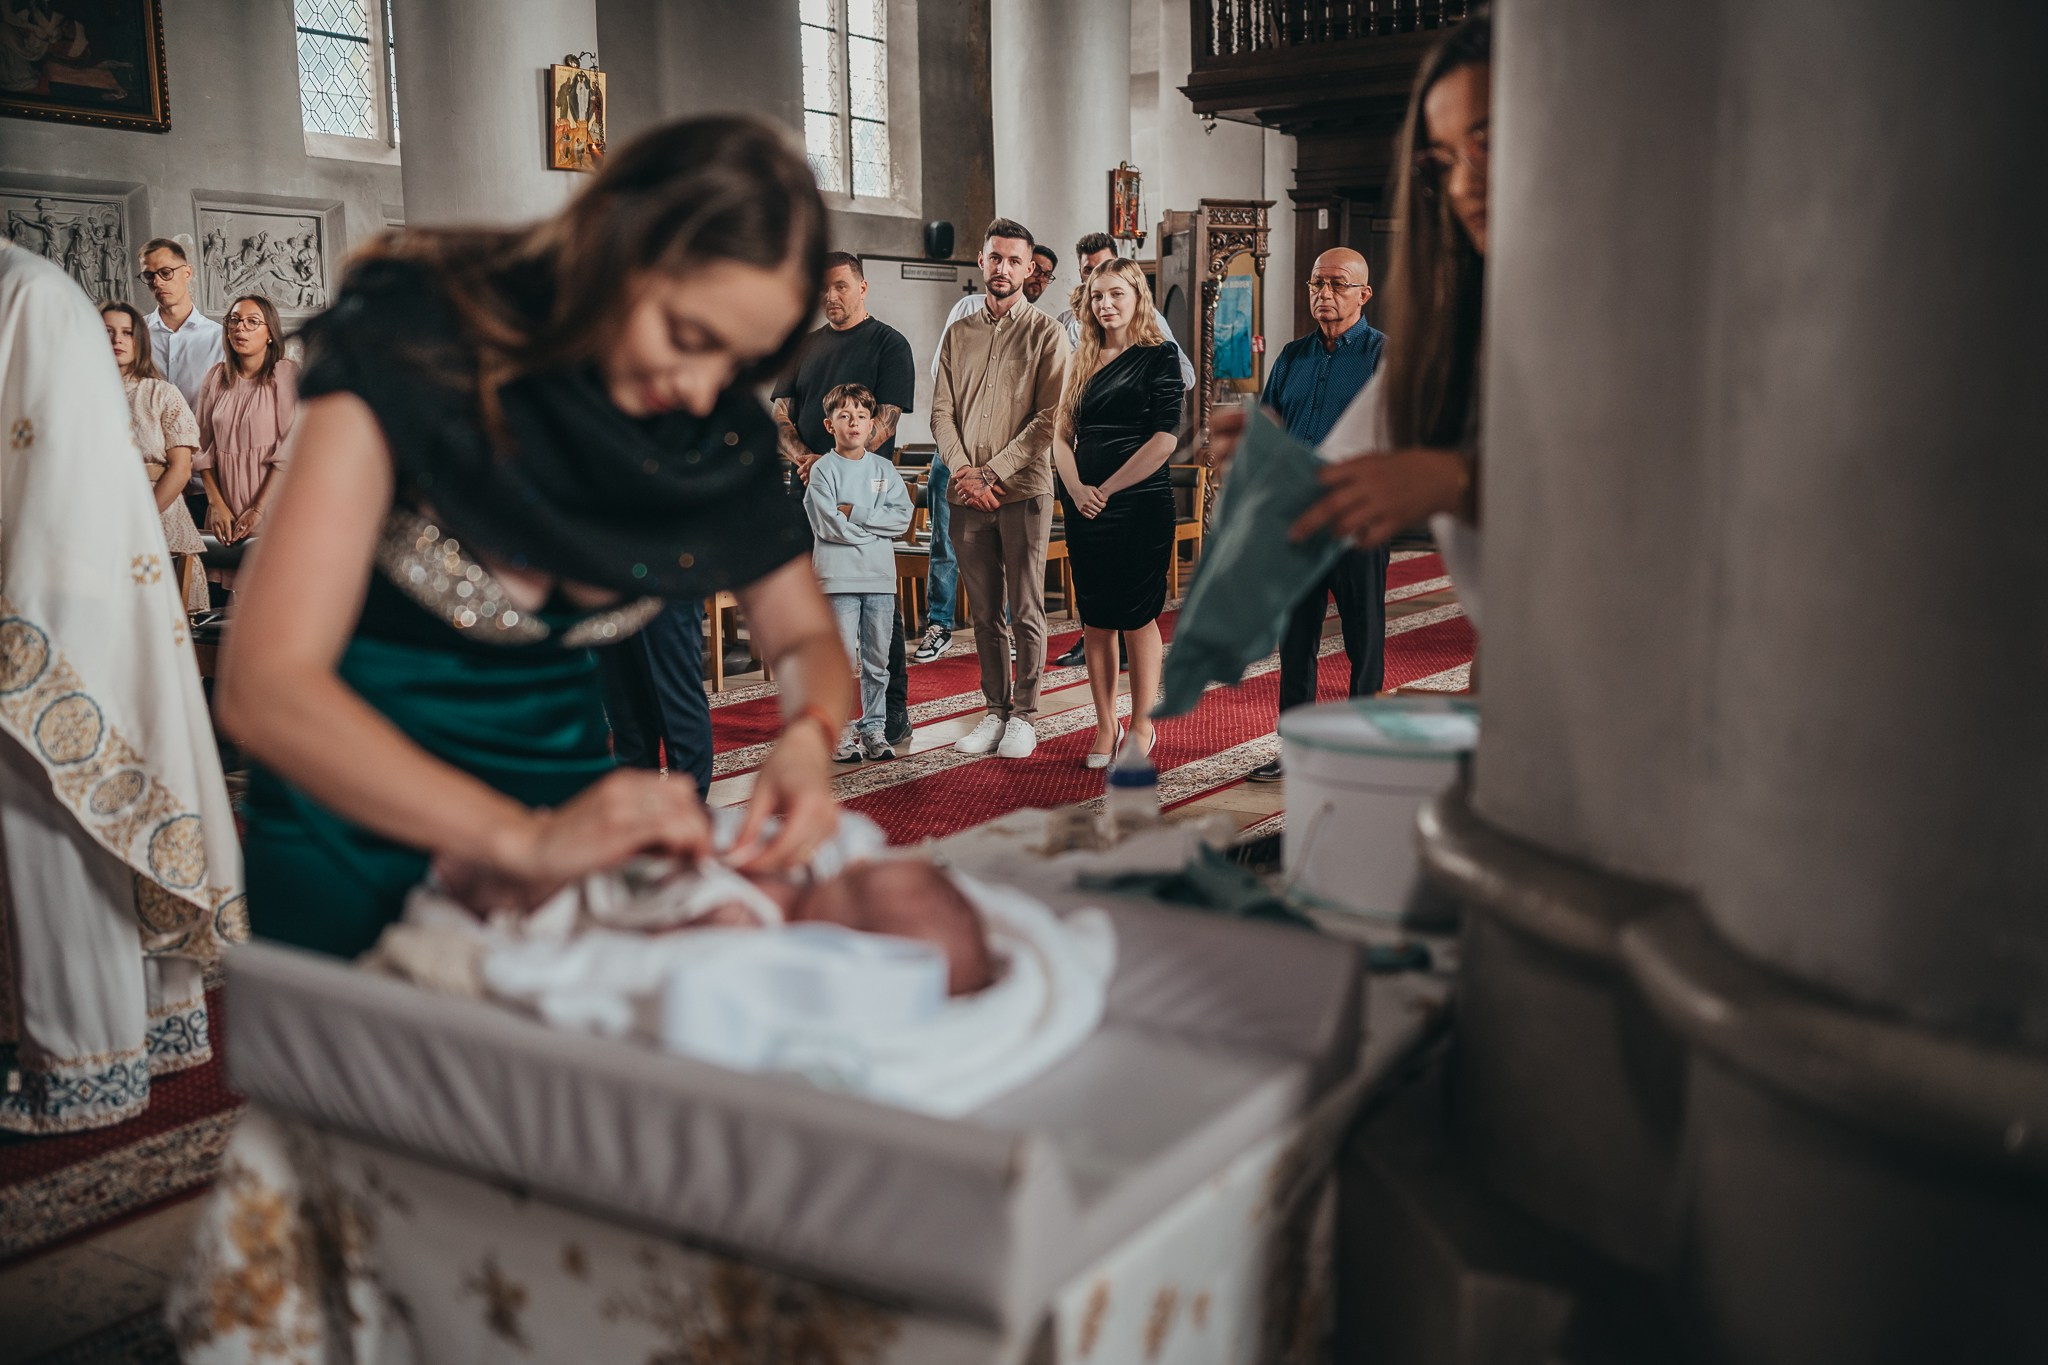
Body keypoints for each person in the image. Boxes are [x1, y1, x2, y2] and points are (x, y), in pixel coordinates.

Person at [215, 116, 853, 960]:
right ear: (616, 244)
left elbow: (804, 634)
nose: (703, 388)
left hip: (567, 841)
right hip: (357, 828)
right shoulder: (416, 344)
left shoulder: (707, 427)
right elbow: (266, 687)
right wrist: (517, 837)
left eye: (739, 361)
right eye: (689, 336)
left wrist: (808, 735)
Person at [0, 239, 245, 1134]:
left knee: (61, 828)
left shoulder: (28, 297)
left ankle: (85, 1060)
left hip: (55, 615)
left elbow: (58, 487)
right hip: (57, 589)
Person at [1293, 14, 1488, 620]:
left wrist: (1456, 482)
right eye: (1443, 162)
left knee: (1364, 639)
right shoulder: (1457, 333)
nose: (1463, 186)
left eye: (1485, 144)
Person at [1243, 246, 1388, 783]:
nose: (1323, 294)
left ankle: (1362, 745)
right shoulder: (1292, 355)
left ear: (1363, 294)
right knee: (1297, 640)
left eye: (1337, 285)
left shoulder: (1380, 356)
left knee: (1362, 638)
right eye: (1315, 284)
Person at [929, 218, 1071, 760]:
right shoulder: (958, 333)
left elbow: (1048, 417)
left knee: (1025, 607)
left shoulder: (1046, 334)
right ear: (982, 262)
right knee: (983, 612)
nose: (1003, 268)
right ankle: (994, 711)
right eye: (995, 258)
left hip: (1022, 491)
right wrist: (965, 472)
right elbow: (941, 410)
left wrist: (991, 474)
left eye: (1015, 260)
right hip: (966, 494)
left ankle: (1026, 715)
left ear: (1029, 268)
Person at [772, 251, 917, 745]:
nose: (829, 297)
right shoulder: (804, 346)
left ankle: (891, 711)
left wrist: (833, 464)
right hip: (807, 485)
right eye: (822, 288)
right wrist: (809, 461)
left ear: (862, 287)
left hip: (866, 490)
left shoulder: (888, 343)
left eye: (839, 286)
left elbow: (886, 421)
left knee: (880, 613)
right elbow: (780, 414)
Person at [1051, 259, 1184, 768]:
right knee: (1097, 619)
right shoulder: (1080, 356)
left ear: (1137, 297)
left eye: (1115, 295)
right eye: (1097, 296)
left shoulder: (1159, 355)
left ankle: (1144, 724)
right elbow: (1060, 437)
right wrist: (1077, 487)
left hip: (1138, 501)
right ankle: (1106, 726)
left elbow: (1165, 438)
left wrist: (1104, 488)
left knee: (1137, 616)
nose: (1105, 305)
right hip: (1083, 502)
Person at [804, 383, 914, 761]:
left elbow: (902, 517)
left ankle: (873, 729)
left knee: (877, 662)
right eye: (844, 415)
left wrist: (857, 513)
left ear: (872, 425)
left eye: (861, 416)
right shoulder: (822, 470)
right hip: (838, 580)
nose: (853, 422)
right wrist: (871, 531)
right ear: (829, 424)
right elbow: (827, 525)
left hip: (879, 581)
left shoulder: (883, 469)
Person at [102, 300, 209, 612]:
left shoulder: (161, 393)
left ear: (140, 341)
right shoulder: (79, 396)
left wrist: (141, 519)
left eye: (126, 333)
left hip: (157, 514)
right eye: (107, 332)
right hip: (100, 514)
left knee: (162, 622)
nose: (117, 340)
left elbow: (181, 469)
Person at [194, 293, 298, 558]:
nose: (240, 327)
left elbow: (291, 447)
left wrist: (259, 509)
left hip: (273, 503)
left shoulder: (284, 374)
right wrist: (216, 503)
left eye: (252, 322)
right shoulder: (217, 377)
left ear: (270, 334)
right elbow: (201, 448)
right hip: (225, 509)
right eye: (234, 320)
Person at [137, 236, 224, 413]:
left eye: (166, 272)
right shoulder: (134, 334)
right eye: (149, 275)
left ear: (187, 273)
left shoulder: (220, 338)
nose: (157, 282)